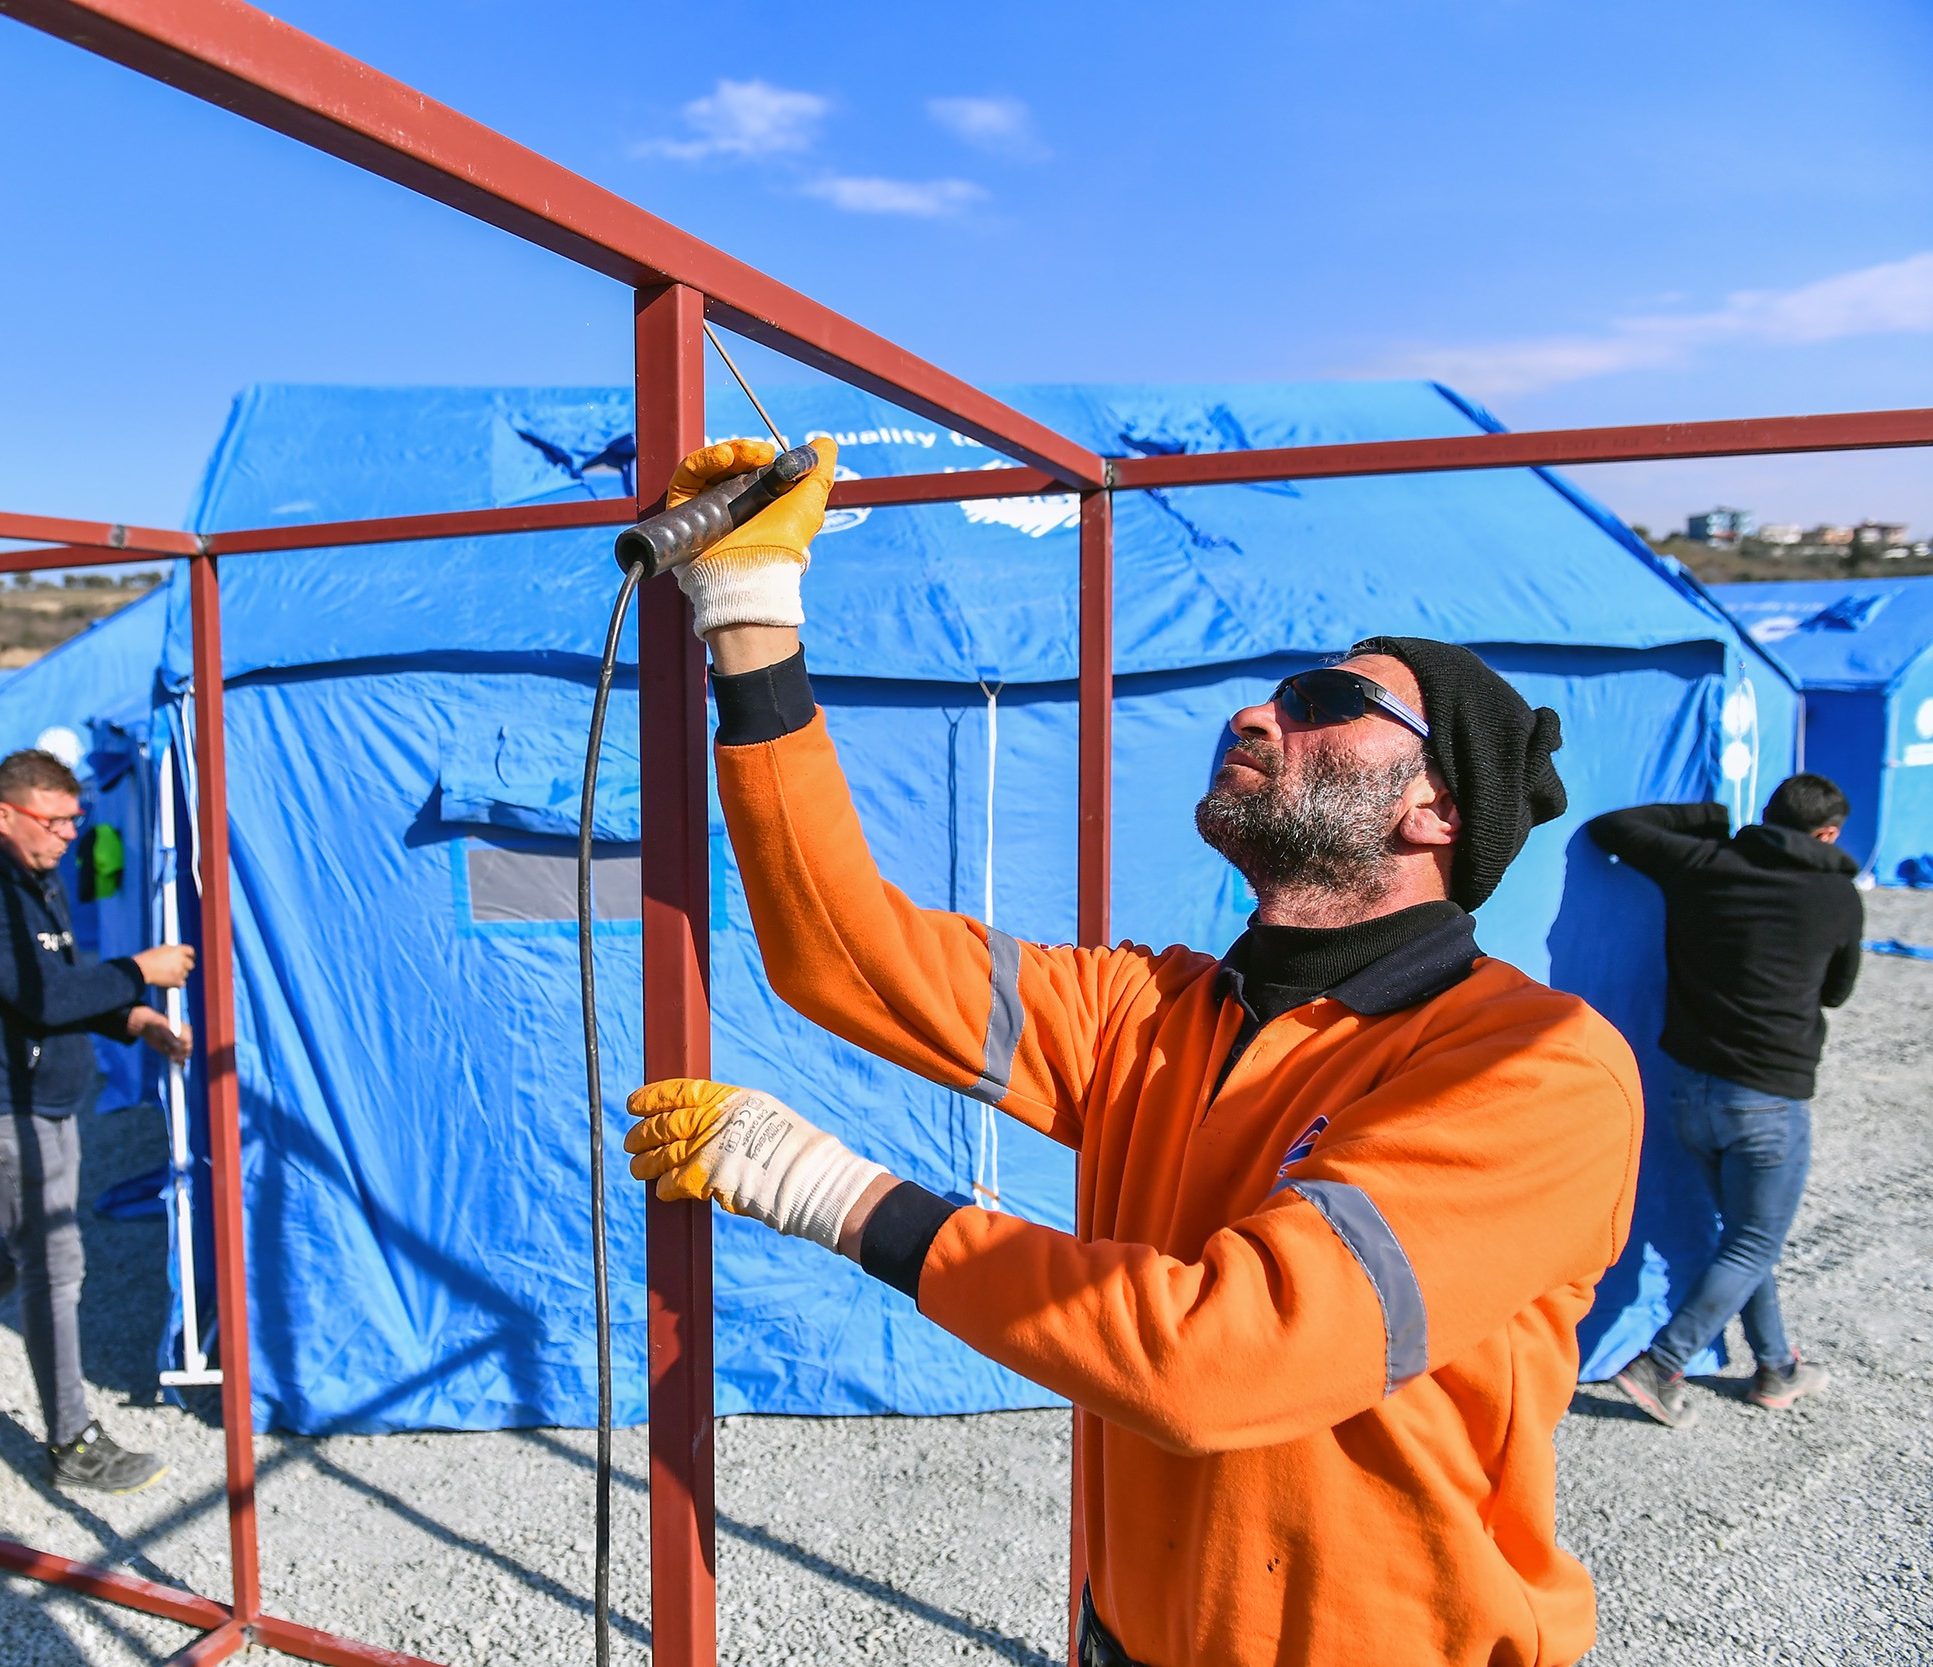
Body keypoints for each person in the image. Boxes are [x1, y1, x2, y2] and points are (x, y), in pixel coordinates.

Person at [617, 439, 1644, 1667]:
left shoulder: (1531, 1065)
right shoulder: (1152, 1014)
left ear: (1436, 809)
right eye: (1273, 694)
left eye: (1326, 702)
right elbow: (844, 953)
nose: (1257, 710)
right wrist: (747, 614)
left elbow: (1224, 1359)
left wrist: (838, 1195)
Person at [0, 748, 194, 1493]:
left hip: (42, 1095)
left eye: (74, 820)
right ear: (5, 815)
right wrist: (137, 971)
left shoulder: (31, 879)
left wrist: (130, 1015)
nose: (68, 835)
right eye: (55, 821)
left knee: (31, 1243)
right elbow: (42, 997)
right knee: (53, 1259)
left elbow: (54, 985)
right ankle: (73, 1442)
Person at [1586, 774, 1862, 1426]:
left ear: (1767, 817)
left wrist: (1709, 814)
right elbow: (1837, 992)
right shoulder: (1837, 895)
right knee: (1752, 1242)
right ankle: (1660, 1363)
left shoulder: (1705, 862)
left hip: (1692, 1095)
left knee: (1743, 1239)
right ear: (1828, 835)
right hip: (1770, 1101)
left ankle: (1775, 1367)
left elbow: (1613, 827)